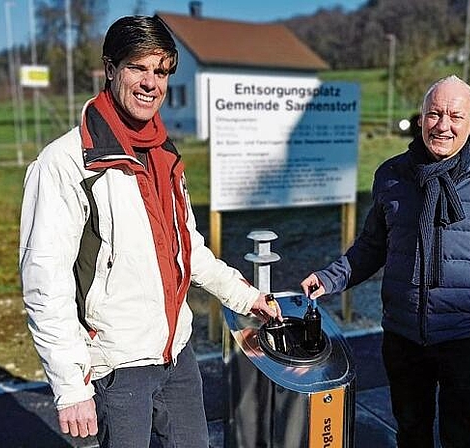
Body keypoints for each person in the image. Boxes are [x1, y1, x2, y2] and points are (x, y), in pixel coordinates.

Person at [19, 15, 281, 447]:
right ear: (109, 69)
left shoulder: (163, 154)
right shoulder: (63, 165)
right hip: (116, 368)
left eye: (160, 71)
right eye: (137, 67)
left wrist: (247, 297)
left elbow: (187, 249)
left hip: (177, 355)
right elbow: (44, 285)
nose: (150, 83)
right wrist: (71, 388)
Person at [301, 75, 470, 448]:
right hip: (403, 335)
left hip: (468, 339)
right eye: (434, 114)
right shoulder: (391, 175)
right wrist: (331, 278)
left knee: (461, 436)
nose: (443, 125)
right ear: (421, 118)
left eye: (455, 117)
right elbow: (372, 246)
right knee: (411, 433)